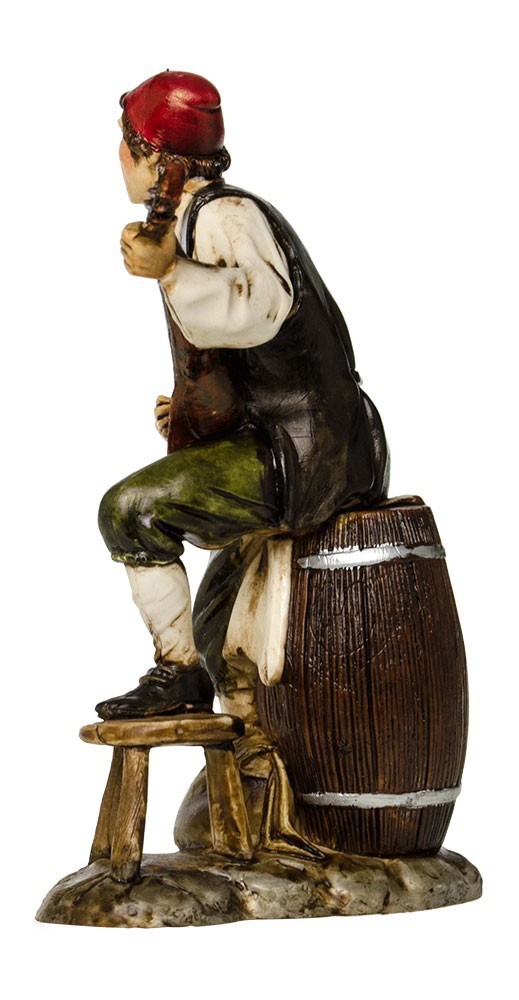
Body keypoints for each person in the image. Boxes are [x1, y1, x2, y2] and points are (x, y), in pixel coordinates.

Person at [96, 70, 389, 720]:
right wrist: (197, 410)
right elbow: (253, 359)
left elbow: (262, 308)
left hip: (307, 453)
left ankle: (177, 676)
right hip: (285, 439)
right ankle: (241, 737)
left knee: (129, 511)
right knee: (215, 627)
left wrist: (173, 270)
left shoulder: (225, 216)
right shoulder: (195, 218)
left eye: (126, 144)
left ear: (155, 158)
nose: (118, 158)